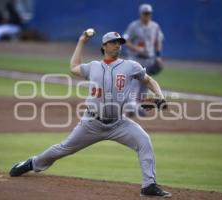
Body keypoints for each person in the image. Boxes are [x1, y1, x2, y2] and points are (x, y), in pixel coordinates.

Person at [9, 30, 171, 198]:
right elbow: (73, 67)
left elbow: (149, 80)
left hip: (119, 123)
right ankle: (32, 163)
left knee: (144, 140)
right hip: (91, 123)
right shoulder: (93, 66)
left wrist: (160, 96)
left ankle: (149, 185)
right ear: (104, 46)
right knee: (64, 149)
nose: (118, 45)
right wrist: (81, 41)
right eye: (114, 42)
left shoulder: (131, 66)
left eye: (119, 42)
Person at [123, 3, 165, 116]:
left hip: (149, 59)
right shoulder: (134, 26)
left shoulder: (155, 26)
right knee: (135, 81)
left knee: (145, 84)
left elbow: (158, 41)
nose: (147, 15)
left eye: (149, 13)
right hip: (135, 58)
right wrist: (136, 48)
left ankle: (139, 107)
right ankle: (131, 106)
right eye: (145, 13)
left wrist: (159, 56)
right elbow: (125, 40)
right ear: (141, 14)